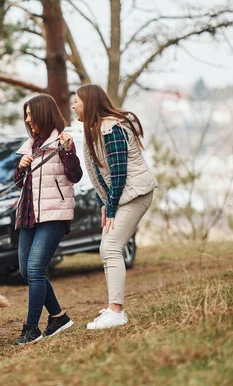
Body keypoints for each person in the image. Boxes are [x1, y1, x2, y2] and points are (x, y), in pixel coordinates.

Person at [72, 84, 158, 329]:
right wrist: (104, 203)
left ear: (88, 103)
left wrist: (111, 207)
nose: (73, 105)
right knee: (107, 247)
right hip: (123, 196)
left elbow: (119, 173)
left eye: (76, 101)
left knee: (110, 247)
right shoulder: (96, 128)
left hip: (135, 194)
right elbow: (103, 174)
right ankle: (113, 307)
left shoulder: (110, 129)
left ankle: (116, 312)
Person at [13, 94, 83, 345]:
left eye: (31, 114)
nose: (28, 120)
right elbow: (20, 183)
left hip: (54, 213)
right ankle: (58, 317)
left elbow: (75, 175)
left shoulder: (63, 141)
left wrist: (66, 152)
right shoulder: (30, 145)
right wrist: (20, 167)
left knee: (34, 269)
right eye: (27, 115)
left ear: (44, 113)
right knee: (26, 270)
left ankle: (31, 328)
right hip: (29, 214)